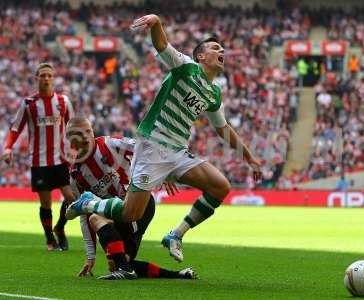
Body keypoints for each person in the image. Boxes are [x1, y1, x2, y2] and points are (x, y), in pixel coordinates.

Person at [66, 14, 262, 263]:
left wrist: (249, 157)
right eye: (215, 48)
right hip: (153, 146)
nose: (221, 50)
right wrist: (156, 22)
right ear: (201, 56)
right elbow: (162, 45)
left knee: (221, 186)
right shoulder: (186, 67)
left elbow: (223, 129)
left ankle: (175, 235)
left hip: (178, 152)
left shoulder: (214, 93)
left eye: (222, 48)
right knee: (130, 213)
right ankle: (89, 202)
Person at [66, 116, 196, 280]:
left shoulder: (109, 144)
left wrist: (165, 173)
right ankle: (179, 275)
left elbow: (144, 148)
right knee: (119, 263)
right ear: (71, 139)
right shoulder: (76, 176)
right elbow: (83, 216)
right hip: (118, 217)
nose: (85, 136)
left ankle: (124, 268)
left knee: (95, 218)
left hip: (139, 205)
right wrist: (90, 256)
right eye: (79, 133)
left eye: (88, 131)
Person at [0, 63, 75, 251]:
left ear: (54, 78)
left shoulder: (63, 102)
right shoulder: (28, 104)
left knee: (70, 197)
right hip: (39, 162)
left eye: (50, 75)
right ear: (37, 78)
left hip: (61, 160)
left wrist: (75, 148)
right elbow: (15, 128)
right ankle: (50, 240)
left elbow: (73, 127)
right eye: (43, 75)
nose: (46, 78)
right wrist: (8, 148)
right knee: (46, 203)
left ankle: (60, 228)